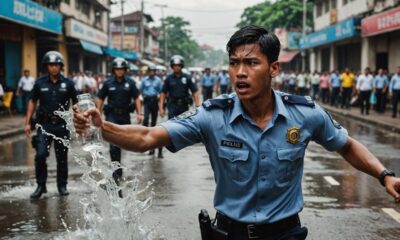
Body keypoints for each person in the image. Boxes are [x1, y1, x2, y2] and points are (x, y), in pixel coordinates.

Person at [73, 26, 400, 240]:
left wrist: (384, 175)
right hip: (228, 234)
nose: (240, 72)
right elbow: (147, 137)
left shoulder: (305, 113)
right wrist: (103, 127)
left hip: (285, 234)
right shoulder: (212, 115)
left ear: (274, 68)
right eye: (233, 63)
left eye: (251, 63)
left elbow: (346, 144)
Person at [25, 51, 78, 199]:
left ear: (61, 66)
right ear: (46, 67)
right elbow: (32, 102)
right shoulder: (39, 83)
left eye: (56, 65)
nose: (53, 68)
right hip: (44, 125)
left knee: (62, 158)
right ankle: (41, 186)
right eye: (50, 65)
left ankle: (62, 185)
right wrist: (27, 122)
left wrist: (79, 118)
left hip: (62, 126)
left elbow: (77, 103)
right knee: (40, 155)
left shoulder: (68, 84)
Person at [96, 57, 142, 183]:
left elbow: (137, 98)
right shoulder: (108, 83)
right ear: (114, 70)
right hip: (112, 116)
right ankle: (117, 173)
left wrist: (139, 113)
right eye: (117, 69)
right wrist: (98, 113)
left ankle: (118, 166)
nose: (119, 71)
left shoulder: (131, 83)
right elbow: (100, 98)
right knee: (113, 146)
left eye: (122, 69)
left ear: (125, 70)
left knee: (124, 142)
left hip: (125, 116)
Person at [158, 55, 200, 158]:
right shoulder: (168, 79)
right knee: (169, 127)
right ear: (172, 67)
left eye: (178, 65)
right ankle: (161, 149)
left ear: (181, 66)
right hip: (172, 105)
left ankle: (180, 143)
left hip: (184, 105)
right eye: (175, 65)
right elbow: (163, 93)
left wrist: (198, 105)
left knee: (183, 126)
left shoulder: (187, 78)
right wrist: (161, 108)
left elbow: (195, 92)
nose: (176, 67)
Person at [140, 65, 162, 156]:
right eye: (150, 71)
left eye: (153, 71)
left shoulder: (158, 80)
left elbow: (161, 91)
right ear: (148, 72)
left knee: (153, 122)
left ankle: (152, 144)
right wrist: (144, 96)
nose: (152, 72)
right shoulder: (144, 80)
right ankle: (144, 134)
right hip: (147, 101)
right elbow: (140, 90)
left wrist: (160, 101)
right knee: (145, 119)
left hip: (154, 101)